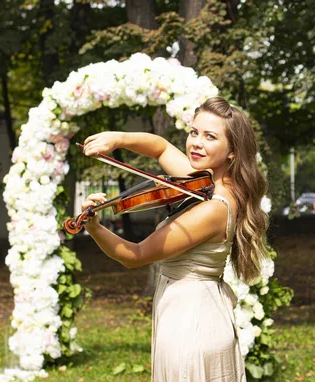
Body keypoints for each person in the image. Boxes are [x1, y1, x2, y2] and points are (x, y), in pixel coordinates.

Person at [81, 96, 269, 381]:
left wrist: (94, 228)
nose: (196, 142)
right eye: (194, 132)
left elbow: (136, 255)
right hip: (193, 311)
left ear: (232, 151)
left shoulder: (215, 207)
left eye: (210, 136)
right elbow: (160, 147)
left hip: (190, 321)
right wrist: (116, 138)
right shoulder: (207, 183)